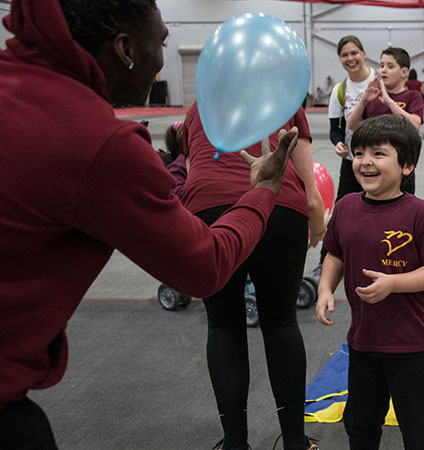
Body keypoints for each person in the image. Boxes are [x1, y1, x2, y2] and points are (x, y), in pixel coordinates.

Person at [0, 1, 295, 448]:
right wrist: (264, 190)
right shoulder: (98, 141)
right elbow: (203, 267)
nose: (161, 59)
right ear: (125, 49)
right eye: (160, 42)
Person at [181, 102, 324, 450]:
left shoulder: (200, 105)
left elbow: (192, 170)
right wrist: (316, 224)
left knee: (223, 325)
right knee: (281, 322)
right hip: (279, 203)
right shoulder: (284, 97)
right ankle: (295, 442)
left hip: (209, 208)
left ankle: (235, 443)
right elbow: (309, 185)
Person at [316, 115, 424, 450]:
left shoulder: (420, 214)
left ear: (407, 165)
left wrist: (394, 283)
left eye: (378, 153)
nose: (365, 161)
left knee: (420, 434)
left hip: (412, 347)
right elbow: (335, 254)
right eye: (359, 153)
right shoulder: (346, 207)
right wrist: (324, 289)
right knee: (360, 427)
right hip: (364, 343)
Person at [319, 35, 377, 274]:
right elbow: (335, 130)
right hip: (353, 162)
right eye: (344, 55)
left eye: (354, 53)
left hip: (383, 163)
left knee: (382, 211)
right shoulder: (340, 90)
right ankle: (324, 263)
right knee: (341, 212)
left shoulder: (379, 80)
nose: (350, 58)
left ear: (363, 54)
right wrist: (338, 144)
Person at [347, 46, 424, 193]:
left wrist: (389, 101)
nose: (383, 70)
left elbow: (415, 124)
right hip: (374, 167)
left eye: (390, 66)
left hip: (399, 168)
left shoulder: (412, 96)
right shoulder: (372, 97)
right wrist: (364, 101)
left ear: (404, 72)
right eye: (382, 65)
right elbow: (351, 125)